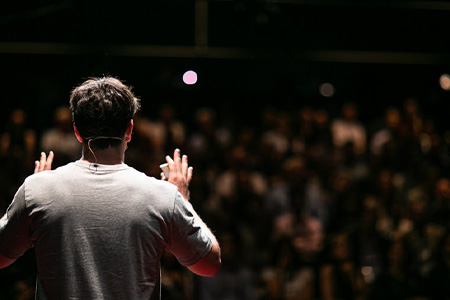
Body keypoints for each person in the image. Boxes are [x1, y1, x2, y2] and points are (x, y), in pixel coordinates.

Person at [0, 76, 221, 300]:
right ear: (129, 129)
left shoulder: (37, 190)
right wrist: (182, 199)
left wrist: (36, 197)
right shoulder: (163, 195)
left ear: (77, 131)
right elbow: (209, 265)